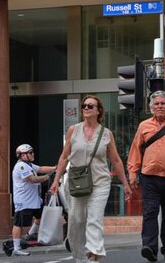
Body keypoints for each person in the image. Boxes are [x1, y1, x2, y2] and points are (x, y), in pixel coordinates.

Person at [51, 95, 132, 262]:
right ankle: (79, 257)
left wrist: (126, 183)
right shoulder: (73, 130)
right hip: (77, 183)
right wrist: (55, 180)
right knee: (76, 221)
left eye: (90, 106)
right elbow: (64, 157)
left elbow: (115, 160)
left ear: (98, 110)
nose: (86, 108)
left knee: (94, 219)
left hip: (100, 183)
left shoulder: (106, 134)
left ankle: (93, 255)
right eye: (84, 106)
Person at [126, 91, 165, 262]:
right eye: (156, 104)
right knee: (150, 211)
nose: (160, 106)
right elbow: (135, 150)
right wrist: (133, 173)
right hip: (149, 177)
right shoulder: (144, 126)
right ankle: (149, 247)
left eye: (163, 103)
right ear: (151, 108)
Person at [11, 143, 57, 256]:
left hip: (34, 200)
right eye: (30, 152)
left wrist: (57, 168)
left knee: (40, 217)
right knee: (19, 224)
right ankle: (16, 248)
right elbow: (32, 179)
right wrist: (49, 176)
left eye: (32, 152)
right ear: (22, 155)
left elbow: (41, 168)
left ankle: (29, 235)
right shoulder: (21, 166)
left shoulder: (29, 165)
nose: (32, 154)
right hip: (24, 201)